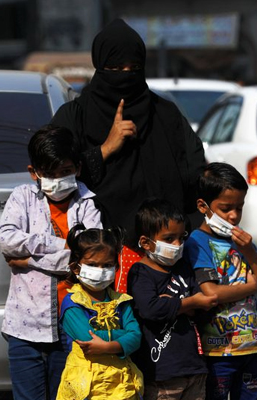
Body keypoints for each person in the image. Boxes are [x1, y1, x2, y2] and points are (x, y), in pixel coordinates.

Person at [50, 18, 206, 293]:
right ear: (100, 68)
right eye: (115, 69)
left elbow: (193, 174)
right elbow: (55, 180)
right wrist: (106, 149)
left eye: (133, 69)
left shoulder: (166, 115)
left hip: (164, 259)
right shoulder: (74, 118)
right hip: (98, 265)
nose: (125, 76)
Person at [0, 125, 103, 400]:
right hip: (25, 325)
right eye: (50, 174)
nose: (58, 180)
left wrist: (29, 259)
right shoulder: (23, 197)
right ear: (35, 173)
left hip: (72, 325)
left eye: (65, 171)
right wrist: (61, 245)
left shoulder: (87, 203)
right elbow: (6, 238)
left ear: (77, 168)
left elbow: (89, 257)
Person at [183, 162, 257, 400]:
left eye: (239, 207)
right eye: (225, 209)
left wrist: (252, 255)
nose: (234, 216)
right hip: (219, 350)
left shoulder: (243, 241)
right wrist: (250, 287)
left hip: (253, 347)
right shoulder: (197, 242)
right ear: (203, 206)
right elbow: (211, 292)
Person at [127, 198, 219, 400]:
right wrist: (190, 303)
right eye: (169, 239)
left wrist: (172, 304)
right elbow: (151, 310)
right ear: (145, 242)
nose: (177, 245)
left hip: (194, 368)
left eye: (181, 238)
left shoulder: (184, 267)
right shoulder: (140, 272)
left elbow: (207, 302)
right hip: (161, 373)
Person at [57, 225, 143, 399]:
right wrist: (122, 338)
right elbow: (87, 340)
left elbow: (136, 336)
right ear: (76, 268)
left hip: (121, 385)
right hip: (87, 387)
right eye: (92, 265)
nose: (100, 270)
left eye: (107, 265)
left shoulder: (121, 301)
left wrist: (107, 346)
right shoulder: (72, 303)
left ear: (116, 267)